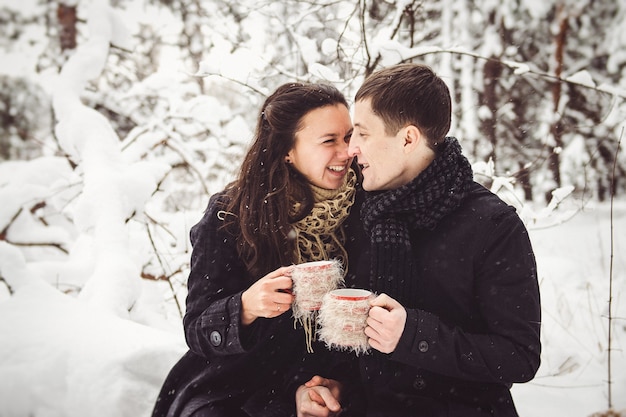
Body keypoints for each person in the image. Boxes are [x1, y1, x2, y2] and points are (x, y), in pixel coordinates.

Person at [296, 63, 542, 416]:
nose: (352, 149)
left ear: (408, 139)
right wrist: (335, 386)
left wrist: (415, 335)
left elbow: (519, 357)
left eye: (363, 134)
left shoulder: (492, 225)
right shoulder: (358, 213)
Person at [151, 82, 365, 417]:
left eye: (349, 137)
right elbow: (197, 329)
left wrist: (328, 384)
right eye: (329, 141)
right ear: (286, 150)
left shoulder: (366, 208)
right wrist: (245, 307)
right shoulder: (233, 214)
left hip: (325, 381)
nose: (347, 151)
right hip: (235, 384)